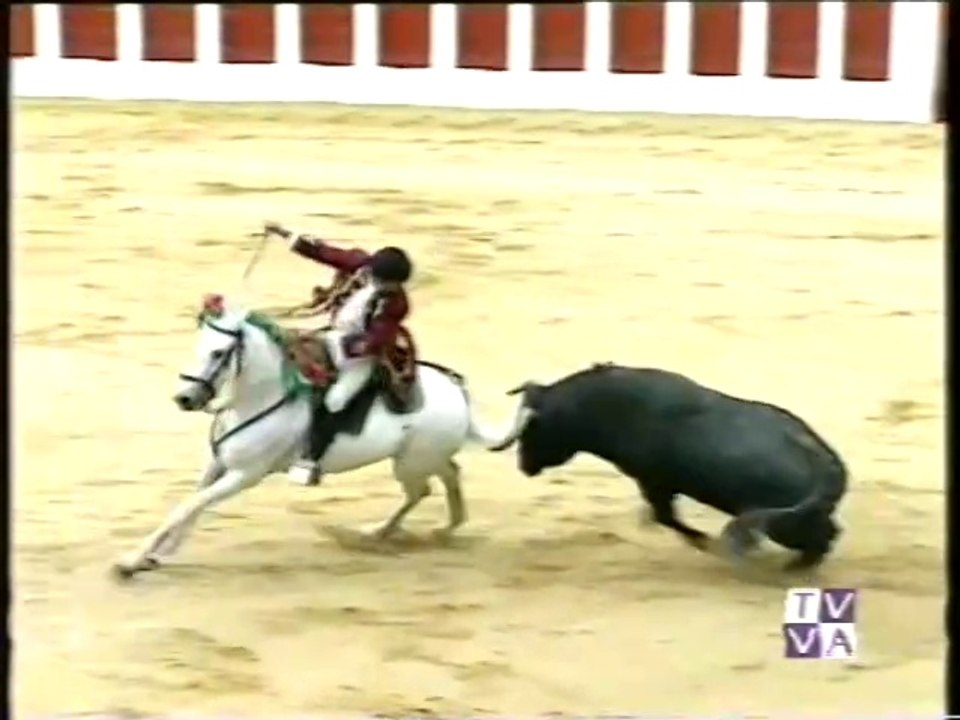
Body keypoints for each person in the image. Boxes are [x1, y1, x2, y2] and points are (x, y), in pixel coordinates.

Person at [264, 222, 413, 486]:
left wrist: (330, 344)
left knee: (335, 400)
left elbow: (374, 342)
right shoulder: (363, 266)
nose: (382, 285)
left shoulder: (397, 304)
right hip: (332, 335)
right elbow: (325, 252)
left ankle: (311, 458)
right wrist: (286, 234)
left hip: (360, 356)